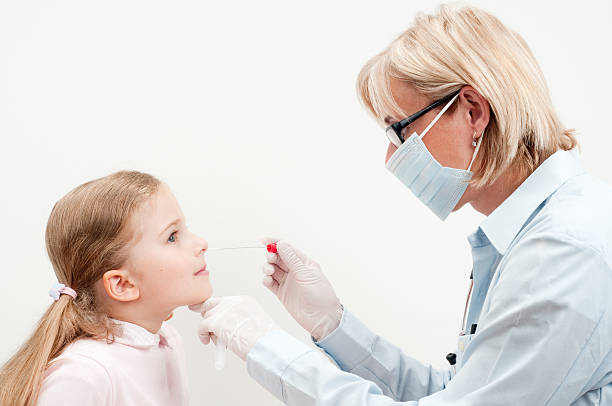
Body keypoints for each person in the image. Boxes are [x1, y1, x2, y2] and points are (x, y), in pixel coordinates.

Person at [192, 5, 612, 405]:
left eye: (400, 131)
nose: (391, 158)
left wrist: (267, 349)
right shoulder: (538, 232)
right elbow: (457, 391)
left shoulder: (564, 250)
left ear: (473, 112)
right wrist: (332, 324)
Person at [0, 171, 211, 406]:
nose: (202, 244)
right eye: (172, 236)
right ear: (122, 284)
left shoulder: (167, 342)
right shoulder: (83, 376)